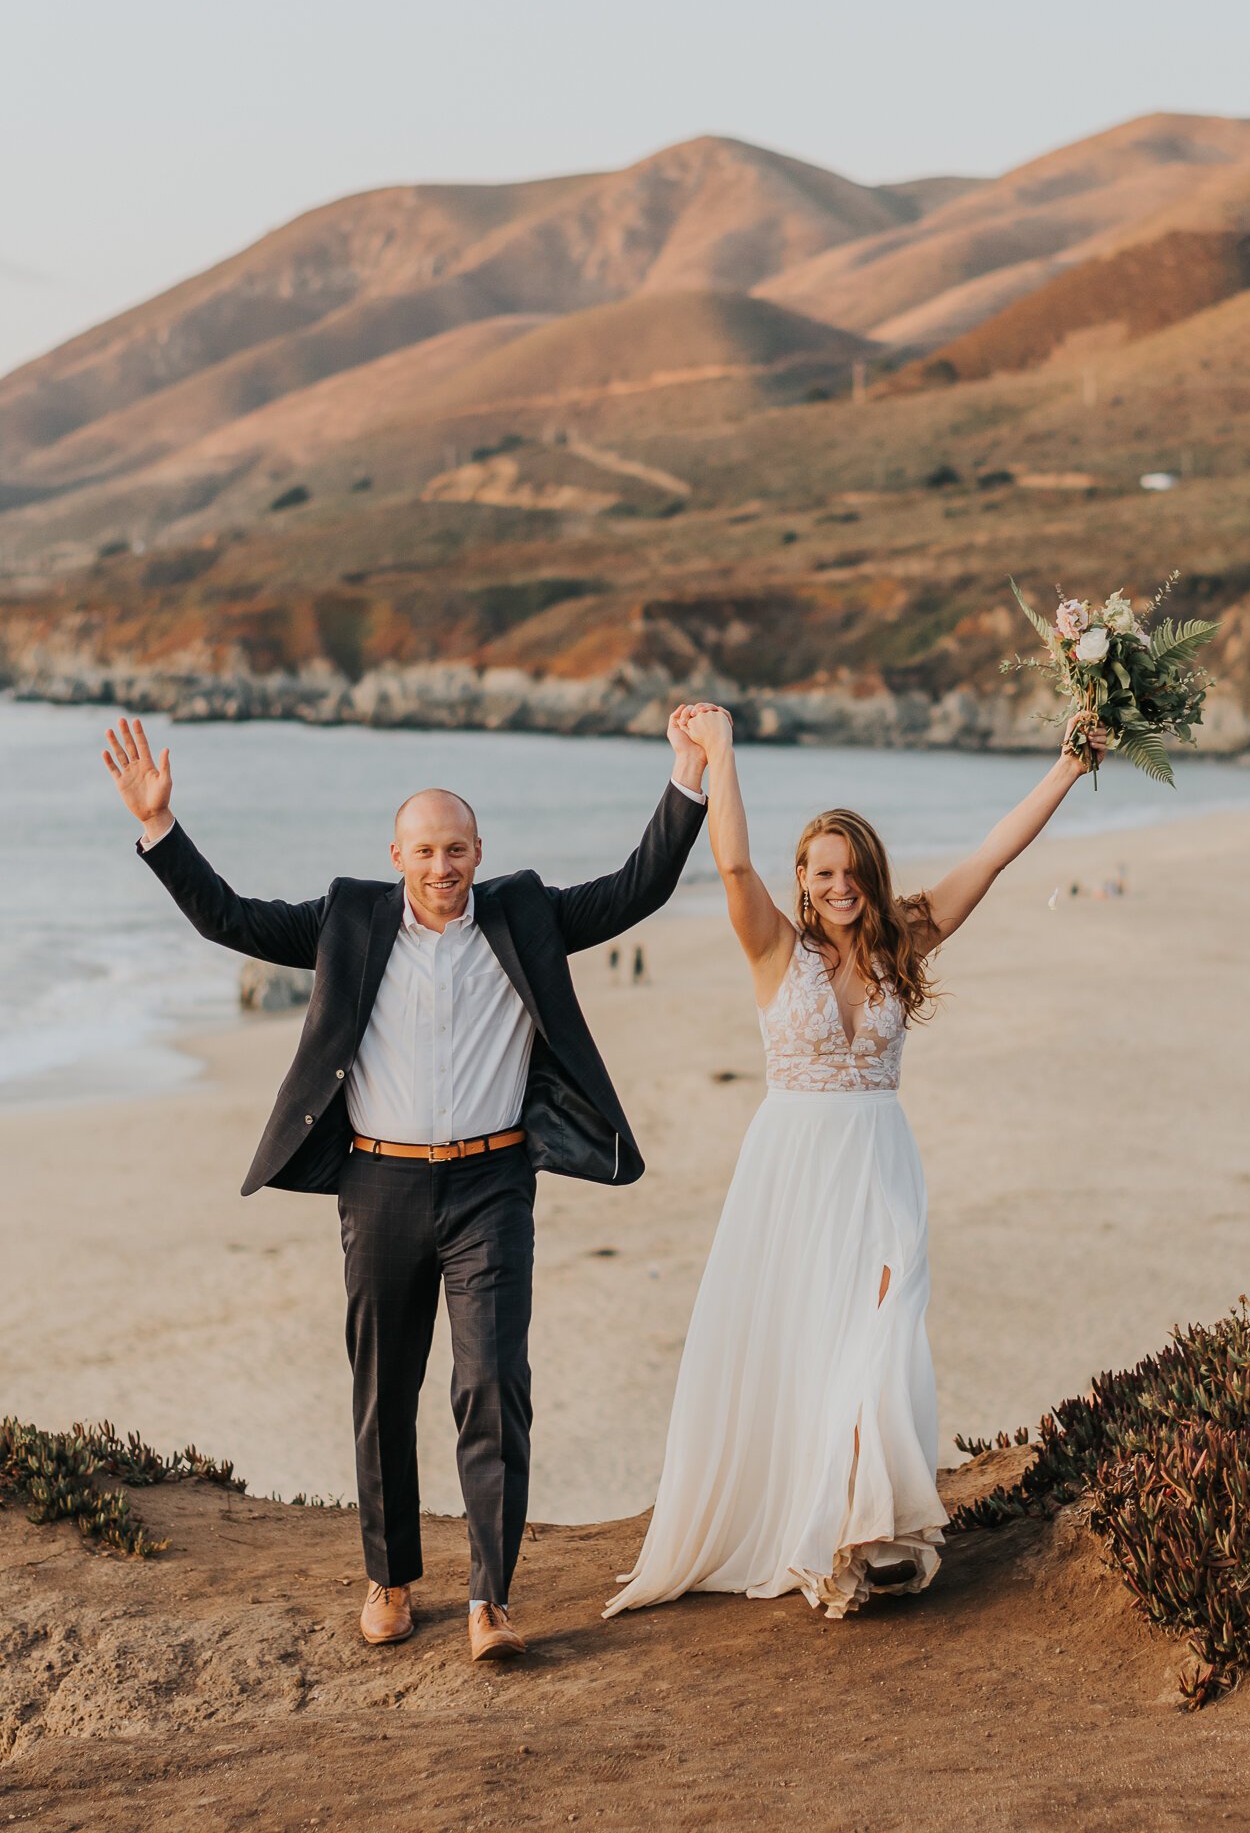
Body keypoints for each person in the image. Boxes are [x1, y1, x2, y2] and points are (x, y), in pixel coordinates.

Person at [101, 710, 711, 1662]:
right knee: (384, 1388)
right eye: (425, 850)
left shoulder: (525, 914)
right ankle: (389, 1580)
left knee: (492, 1384)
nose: (442, 866)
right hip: (378, 1187)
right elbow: (233, 919)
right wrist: (159, 826)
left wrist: (688, 775)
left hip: (492, 1187)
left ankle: (491, 1600)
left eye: (456, 848)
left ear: (479, 851)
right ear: (397, 853)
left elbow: (638, 889)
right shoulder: (348, 917)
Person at [604, 705, 1106, 1621]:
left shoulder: (899, 942)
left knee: (882, 1333)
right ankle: (821, 1524)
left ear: (871, 876)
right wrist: (720, 756)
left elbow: (991, 858)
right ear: (802, 881)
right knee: (800, 1344)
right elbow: (728, 863)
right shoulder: (771, 948)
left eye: (852, 872)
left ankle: (870, 1532)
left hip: (876, 1162)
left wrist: (1067, 769)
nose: (839, 886)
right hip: (788, 1169)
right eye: (823, 872)